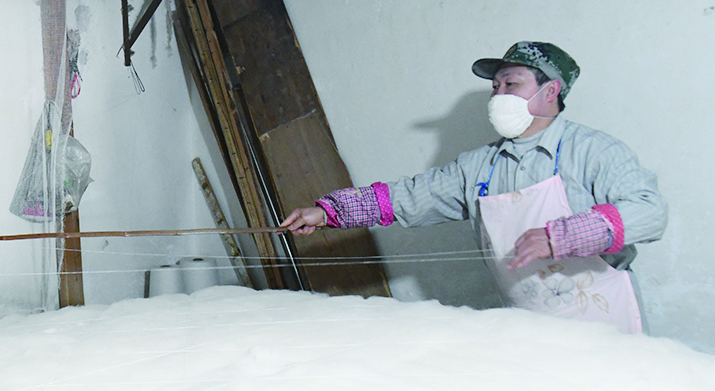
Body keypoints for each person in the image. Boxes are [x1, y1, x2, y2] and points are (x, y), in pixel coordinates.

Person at [280, 42, 666, 333]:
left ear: (551, 91)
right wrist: (329, 212)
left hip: (605, 328)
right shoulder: (479, 166)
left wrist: (562, 236)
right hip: (531, 332)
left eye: (511, 84)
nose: (498, 96)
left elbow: (651, 212)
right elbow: (410, 196)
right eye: (495, 87)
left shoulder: (595, 151)